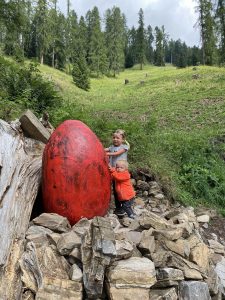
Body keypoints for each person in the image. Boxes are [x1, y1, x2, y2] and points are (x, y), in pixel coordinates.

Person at [105, 129, 130, 216]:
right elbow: (105, 149)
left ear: (123, 139)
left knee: (122, 190)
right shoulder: (112, 147)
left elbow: (116, 154)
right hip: (114, 171)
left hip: (122, 172)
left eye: (118, 138)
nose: (115, 139)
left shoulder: (124, 147)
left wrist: (106, 154)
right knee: (116, 190)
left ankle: (125, 206)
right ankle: (119, 208)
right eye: (114, 137)